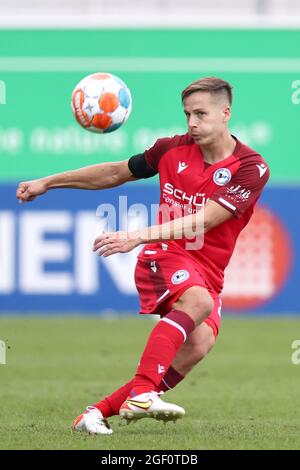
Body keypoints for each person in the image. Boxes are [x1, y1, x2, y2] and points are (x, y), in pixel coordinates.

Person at [16, 76, 270, 435]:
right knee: (197, 303)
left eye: (200, 114)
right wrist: (49, 181)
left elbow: (208, 219)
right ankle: (142, 394)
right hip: (166, 253)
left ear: (226, 113)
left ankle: (95, 413)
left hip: (209, 268)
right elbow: (114, 173)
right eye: (187, 114)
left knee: (199, 345)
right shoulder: (170, 149)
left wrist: (135, 234)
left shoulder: (250, 167)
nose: (192, 123)